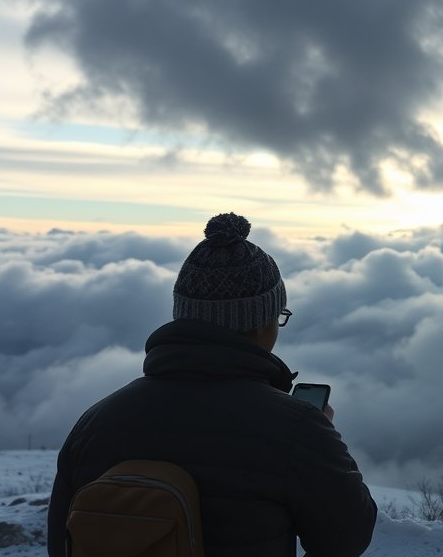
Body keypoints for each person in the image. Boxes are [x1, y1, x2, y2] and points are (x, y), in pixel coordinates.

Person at [47, 212, 377, 557]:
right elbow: (347, 539)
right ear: (262, 323)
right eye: (280, 316)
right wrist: (322, 442)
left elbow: (62, 545)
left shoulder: (95, 424)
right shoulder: (297, 429)